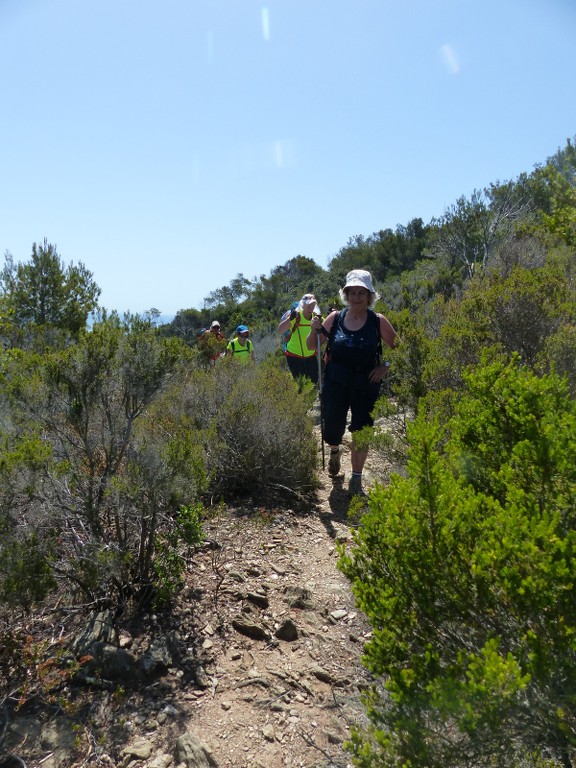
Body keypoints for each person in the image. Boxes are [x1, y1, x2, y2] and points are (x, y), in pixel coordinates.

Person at [307, 269, 397, 497]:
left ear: (370, 295)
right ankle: (335, 450)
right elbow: (312, 345)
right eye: (352, 292)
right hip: (336, 381)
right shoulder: (335, 318)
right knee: (333, 427)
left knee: (362, 430)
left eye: (361, 292)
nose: (356, 297)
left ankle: (356, 478)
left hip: (366, 383)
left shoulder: (377, 321)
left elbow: (400, 347)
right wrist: (313, 330)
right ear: (346, 294)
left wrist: (384, 367)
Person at [277, 293, 321, 384]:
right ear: (303, 305)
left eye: (313, 304)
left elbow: (325, 332)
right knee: (300, 384)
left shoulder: (317, 318)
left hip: (311, 355)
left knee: (313, 382)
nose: (310, 307)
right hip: (294, 355)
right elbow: (280, 330)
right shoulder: (296, 317)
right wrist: (290, 319)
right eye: (308, 305)